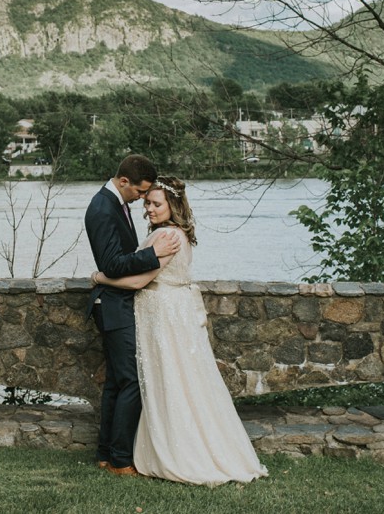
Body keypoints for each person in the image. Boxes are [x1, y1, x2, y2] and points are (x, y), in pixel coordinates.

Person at [91, 176, 268, 486]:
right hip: (165, 312)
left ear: (172, 206)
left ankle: (176, 450)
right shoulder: (169, 233)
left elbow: (138, 281)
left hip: (164, 314)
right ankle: (122, 451)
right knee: (168, 379)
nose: (148, 208)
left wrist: (100, 278)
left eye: (156, 203)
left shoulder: (169, 237)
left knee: (169, 379)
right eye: (147, 202)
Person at [85, 154, 181, 477]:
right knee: (131, 383)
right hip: (112, 303)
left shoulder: (117, 205)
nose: (143, 200)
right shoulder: (101, 208)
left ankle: (105, 454)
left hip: (118, 301)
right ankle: (121, 460)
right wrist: (152, 254)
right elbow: (112, 264)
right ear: (123, 182)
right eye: (140, 193)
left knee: (116, 381)